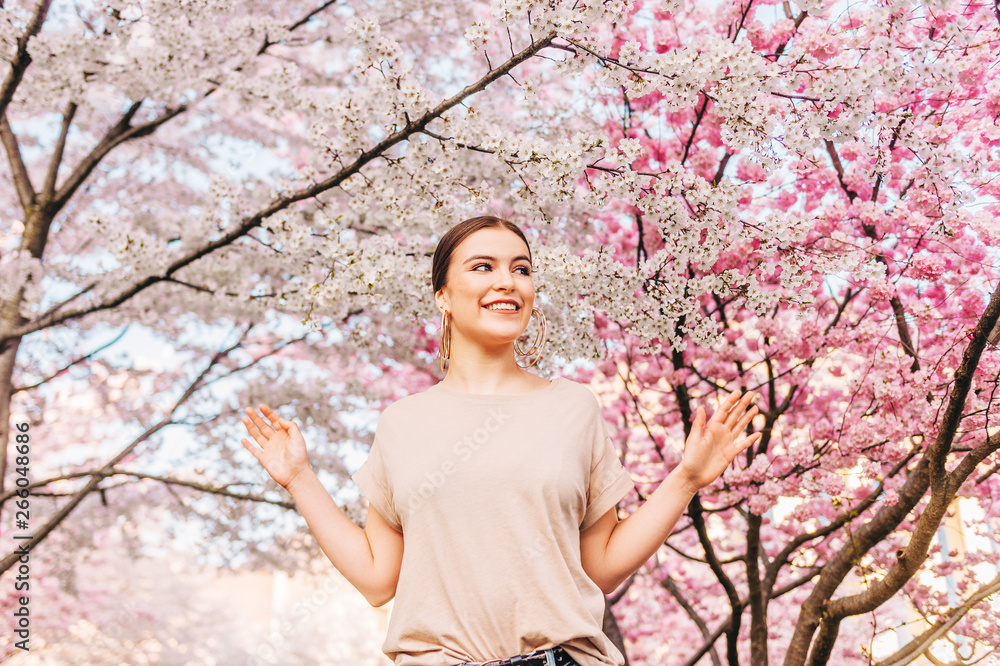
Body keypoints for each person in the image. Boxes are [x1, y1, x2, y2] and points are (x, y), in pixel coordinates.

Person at [240, 215, 761, 666]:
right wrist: (300, 479)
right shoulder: (403, 423)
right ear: (442, 295)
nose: (507, 282)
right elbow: (379, 579)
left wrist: (687, 478)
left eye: (521, 268)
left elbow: (599, 567)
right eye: (482, 267)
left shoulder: (573, 408)